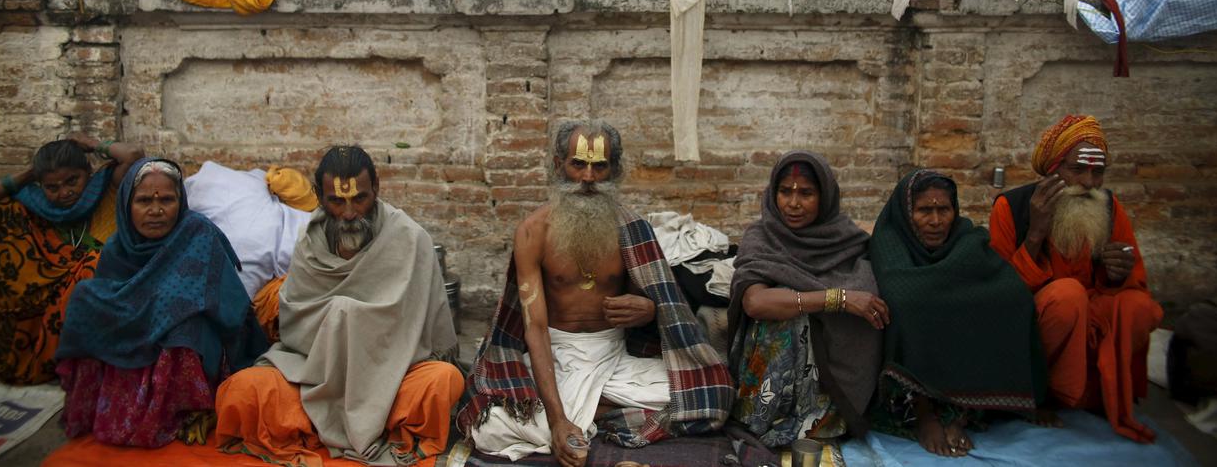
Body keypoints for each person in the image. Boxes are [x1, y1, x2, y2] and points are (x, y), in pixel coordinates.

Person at [460, 120, 732, 467]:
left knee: (713, 393)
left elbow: (658, 306)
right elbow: (535, 329)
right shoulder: (533, 232)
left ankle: (588, 413)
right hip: (554, 356)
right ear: (559, 165)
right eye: (578, 164)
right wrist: (558, 421)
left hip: (614, 357)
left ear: (614, 170)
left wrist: (649, 310)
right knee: (490, 426)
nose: (588, 177)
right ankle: (581, 416)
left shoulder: (633, 229)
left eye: (599, 166)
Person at [215, 145, 462, 467]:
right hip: (314, 375)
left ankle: (331, 427)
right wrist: (341, 321)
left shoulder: (410, 238)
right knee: (243, 391)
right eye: (337, 201)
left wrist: (352, 320)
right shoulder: (309, 243)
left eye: (360, 198)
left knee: (442, 381)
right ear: (319, 196)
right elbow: (295, 327)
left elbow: (429, 331)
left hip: (392, 375)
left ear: (376, 188)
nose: (349, 213)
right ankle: (340, 424)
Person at [53, 158, 269, 448]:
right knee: (83, 297)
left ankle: (180, 411)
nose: (156, 211)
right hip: (138, 323)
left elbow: (217, 301)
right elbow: (113, 295)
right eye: (143, 200)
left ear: (180, 202)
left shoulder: (196, 232)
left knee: (184, 322)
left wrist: (157, 307)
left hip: (194, 333)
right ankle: (101, 406)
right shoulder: (119, 246)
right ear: (127, 204)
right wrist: (145, 307)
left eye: (167, 199)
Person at [990, 114, 1164, 443]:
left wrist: (1117, 276)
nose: (1089, 183)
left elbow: (1134, 281)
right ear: (1053, 169)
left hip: (1092, 314)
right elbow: (1001, 294)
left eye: (1098, 172)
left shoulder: (1110, 207)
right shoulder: (1010, 207)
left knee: (1140, 307)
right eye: (1078, 170)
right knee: (1068, 296)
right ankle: (1043, 395)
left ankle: (1101, 394)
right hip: (1040, 323)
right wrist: (1035, 235)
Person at [870, 169, 1049, 458]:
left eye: (944, 209)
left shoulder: (967, 238)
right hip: (916, 336)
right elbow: (901, 292)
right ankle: (924, 410)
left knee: (1010, 299)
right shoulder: (890, 238)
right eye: (924, 211)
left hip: (952, 326)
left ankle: (961, 412)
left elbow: (1005, 283)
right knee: (909, 306)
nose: (936, 221)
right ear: (906, 212)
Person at [728, 151, 887, 455]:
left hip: (830, 383)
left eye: (806, 193)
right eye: (785, 191)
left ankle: (821, 417)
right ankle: (765, 416)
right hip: (769, 381)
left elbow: (870, 296)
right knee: (784, 313)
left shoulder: (848, 240)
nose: (793, 203)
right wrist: (837, 299)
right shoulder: (762, 236)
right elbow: (755, 302)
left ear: (825, 196)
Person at [0, 132, 144, 384]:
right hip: (43, 298)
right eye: (52, 187)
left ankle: (77, 365)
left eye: (73, 180)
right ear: (41, 186)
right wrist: (31, 172)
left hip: (103, 300)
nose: (65, 192)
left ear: (88, 172)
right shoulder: (36, 205)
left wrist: (94, 144)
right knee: (6, 211)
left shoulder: (107, 188)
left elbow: (134, 156)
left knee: (93, 264)